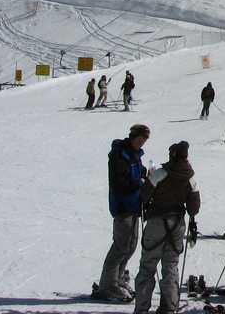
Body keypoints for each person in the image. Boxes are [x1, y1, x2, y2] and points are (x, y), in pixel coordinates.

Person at [133, 141, 201, 314]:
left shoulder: (160, 173)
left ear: (173, 155)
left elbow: (143, 195)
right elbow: (194, 208)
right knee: (170, 266)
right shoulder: (190, 177)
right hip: (177, 224)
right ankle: (168, 308)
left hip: (156, 222)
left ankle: (141, 309)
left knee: (147, 266)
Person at [94, 124, 150, 302]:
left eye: (144, 141)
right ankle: (107, 286)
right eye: (140, 140)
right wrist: (140, 182)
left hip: (134, 206)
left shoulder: (134, 155)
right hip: (123, 207)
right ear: (133, 137)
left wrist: (145, 174)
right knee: (120, 247)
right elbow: (120, 182)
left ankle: (116, 280)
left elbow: (136, 172)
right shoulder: (120, 154)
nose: (141, 144)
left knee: (131, 246)